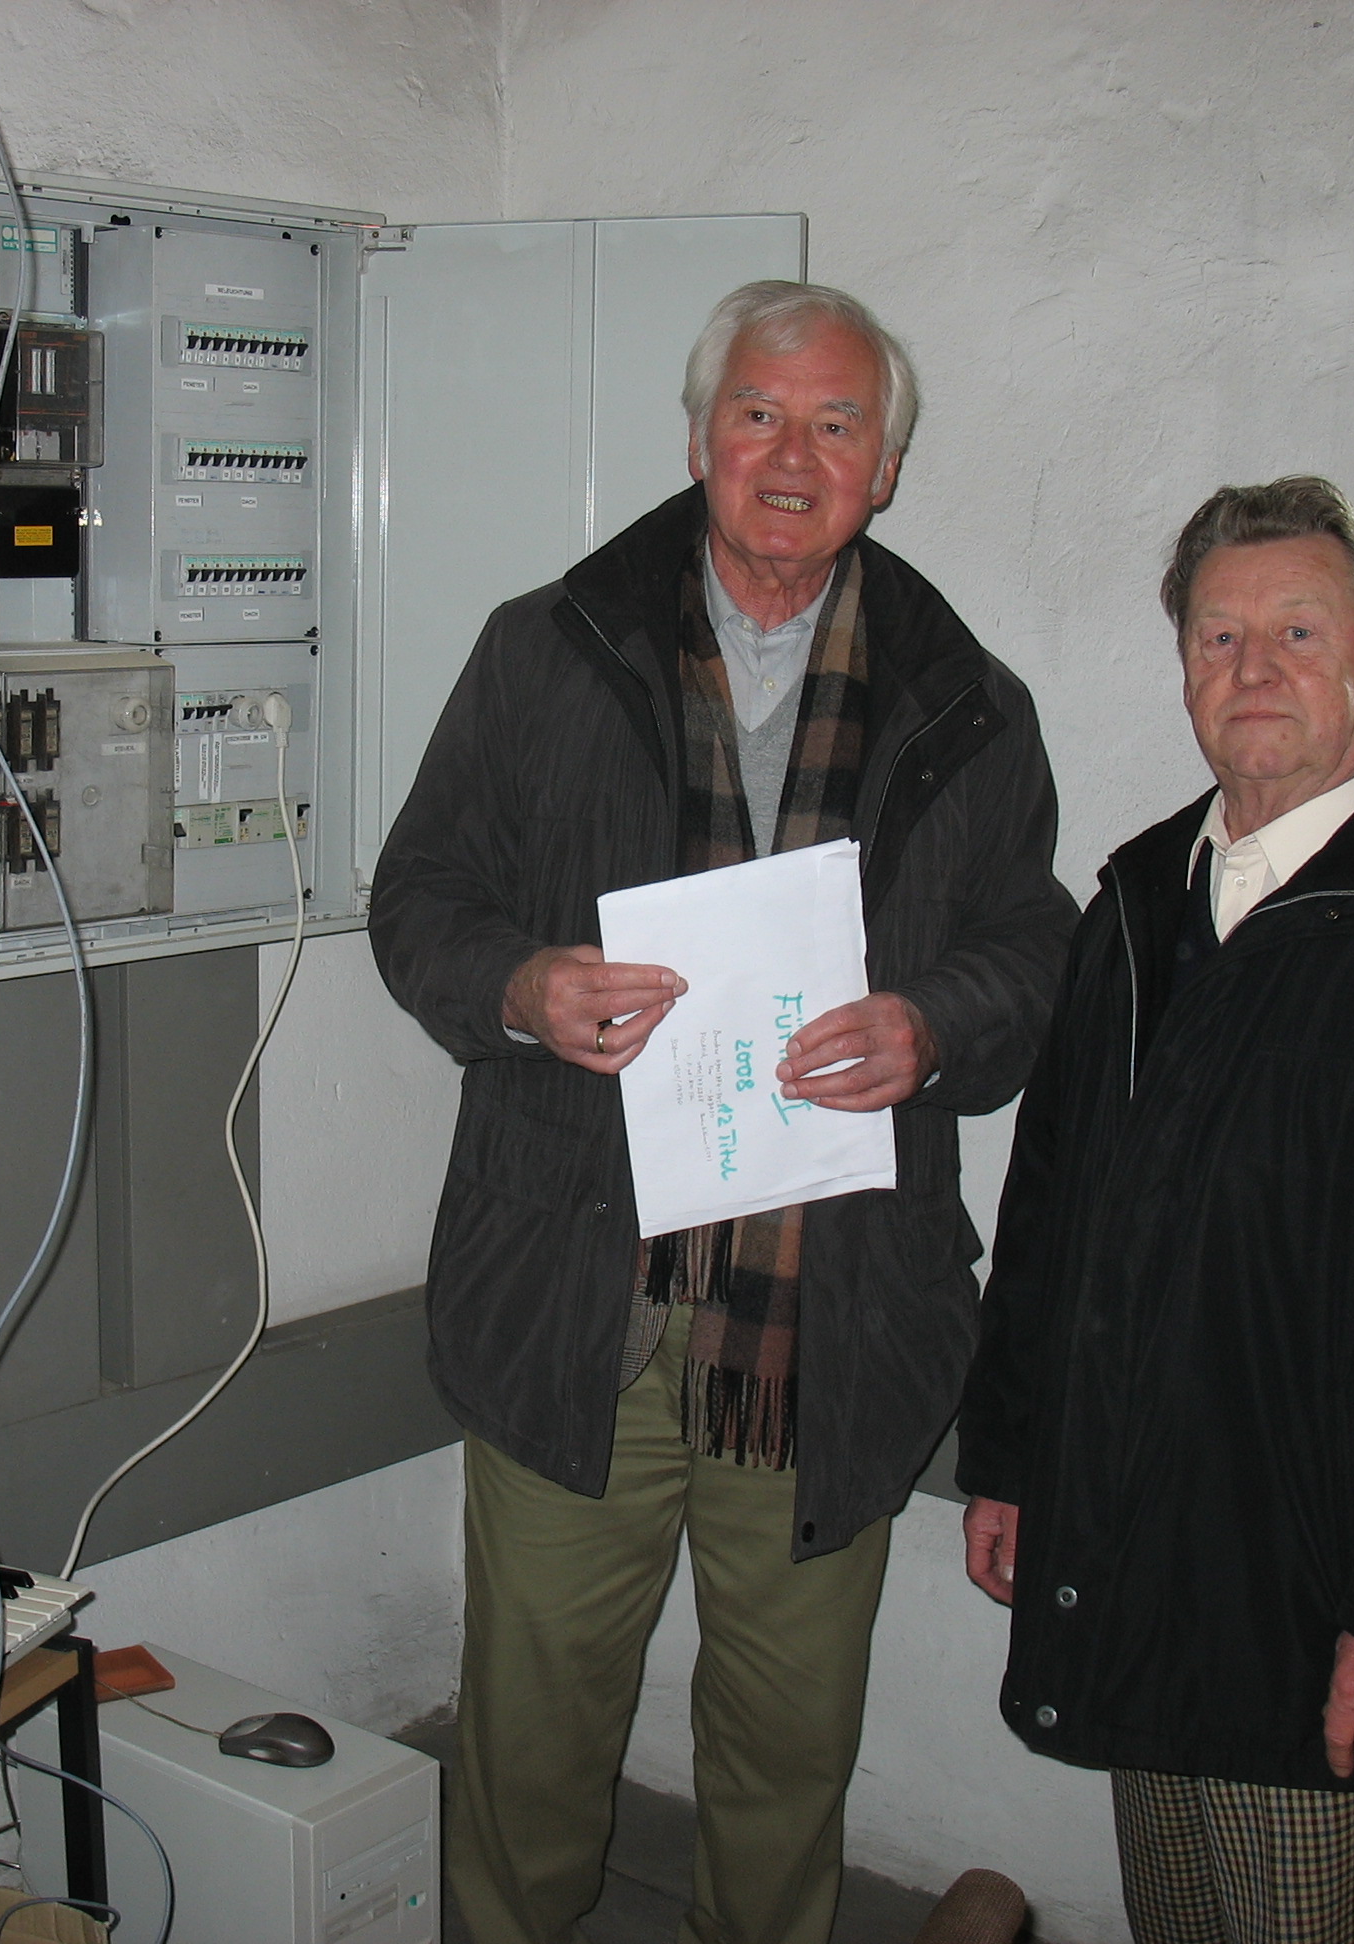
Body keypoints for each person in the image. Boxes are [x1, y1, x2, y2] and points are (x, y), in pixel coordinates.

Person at [370, 281, 1076, 1944]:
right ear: (700, 440)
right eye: (759, 413)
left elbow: (1036, 952)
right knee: (530, 1733)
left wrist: (931, 1027)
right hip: (575, 1301)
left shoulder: (966, 700)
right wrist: (524, 988)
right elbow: (418, 898)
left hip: (831, 1316)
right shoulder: (543, 651)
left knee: (784, 1753)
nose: (793, 453)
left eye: (838, 424)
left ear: (885, 469)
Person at [957, 477, 1354, 1942]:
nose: (1252, 668)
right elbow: (1052, 1215)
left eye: (1299, 633)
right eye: (1219, 637)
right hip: (1132, 1557)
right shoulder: (1139, 905)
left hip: (1320, 1615)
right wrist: (1013, 1459)